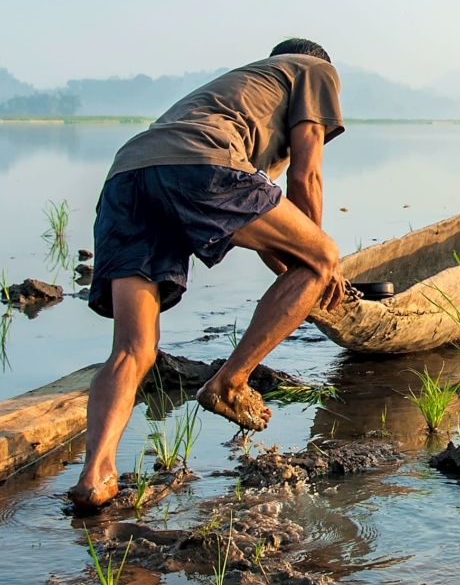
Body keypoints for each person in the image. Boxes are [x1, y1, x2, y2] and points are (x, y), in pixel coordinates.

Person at [67, 37, 349, 511]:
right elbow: (306, 176)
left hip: (128, 177)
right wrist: (318, 261)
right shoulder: (314, 70)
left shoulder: (241, 96)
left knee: (135, 349)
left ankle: (96, 476)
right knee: (324, 254)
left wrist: (299, 269)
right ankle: (229, 382)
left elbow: (265, 228)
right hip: (198, 162)